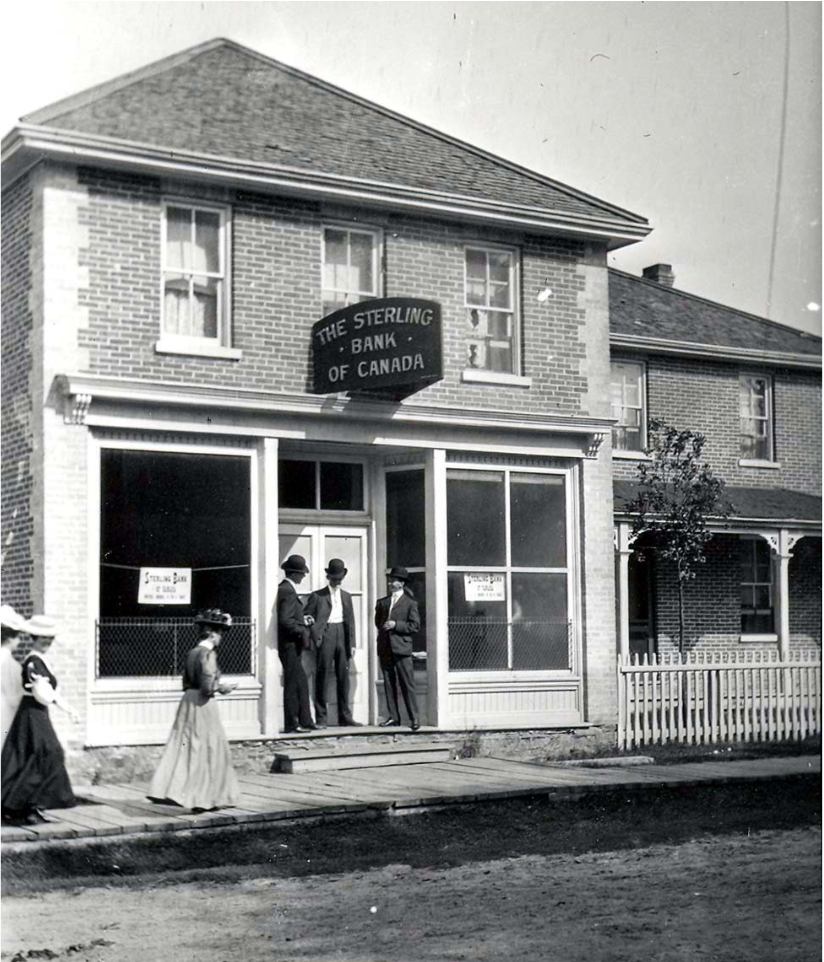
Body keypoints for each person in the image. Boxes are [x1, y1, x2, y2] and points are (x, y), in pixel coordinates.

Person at [148, 609, 240, 812]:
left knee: (185, 746)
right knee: (208, 748)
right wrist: (223, 688)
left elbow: (189, 680)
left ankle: (173, 790)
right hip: (202, 703)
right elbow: (208, 688)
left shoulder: (192, 652)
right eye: (219, 633)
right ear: (212, 634)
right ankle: (204, 798)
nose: (220, 638)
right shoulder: (208, 654)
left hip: (188, 701)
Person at [1, 615, 79, 825]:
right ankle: (28, 806)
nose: (47, 642)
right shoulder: (32, 662)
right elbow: (43, 695)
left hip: (38, 713)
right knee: (48, 753)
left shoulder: (40, 661)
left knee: (36, 757)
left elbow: (50, 694)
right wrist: (42, 687)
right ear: (34, 637)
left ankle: (21, 806)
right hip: (32, 714)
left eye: (50, 638)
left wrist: (68, 709)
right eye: (42, 638)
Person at [305, 559, 361, 728]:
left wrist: (352, 643)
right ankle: (321, 718)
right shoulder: (317, 595)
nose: (337, 582)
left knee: (343, 677)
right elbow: (307, 617)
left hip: (342, 636)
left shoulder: (346, 596)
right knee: (322, 676)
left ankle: (345, 716)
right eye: (334, 578)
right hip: (326, 634)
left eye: (339, 579)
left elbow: (350, 620)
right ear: (328, 577)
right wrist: (317, 636)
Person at [375, 567, 421, 731]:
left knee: (407, 683)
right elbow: (378, 623)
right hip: (385, 647)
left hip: (402, 648)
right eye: (389, 579)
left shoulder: (410, 603)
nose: (390, 582)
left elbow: (415, 626)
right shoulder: (382, 602)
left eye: (394, 580)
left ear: (401, 583)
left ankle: (414, 718)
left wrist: (396, 625)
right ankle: (394, 717)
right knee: (389, 683)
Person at [277, 555, 317, 734]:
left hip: (293, 645)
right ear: (293, 574)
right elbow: (285, 621)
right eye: (301, 573)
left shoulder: (286, 589)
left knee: (300, 682)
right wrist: (302, 630)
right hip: (290, 645)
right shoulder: (287, 590)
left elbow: (292, 617)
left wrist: (303, 620)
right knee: (293, 684)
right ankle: (292, 724)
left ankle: (305, 720)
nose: (303, 577)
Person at [1, 605, 29, 749]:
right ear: (11, 638)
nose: (18, 642)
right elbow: (14, 700)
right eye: (18, 637)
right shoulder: (12, 666)